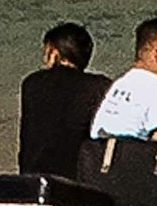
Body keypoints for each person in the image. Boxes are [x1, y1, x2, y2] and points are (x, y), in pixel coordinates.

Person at [18, 22, 111, 177]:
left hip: (34, 175)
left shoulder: (32, 83)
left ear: (54, 52)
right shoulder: (99, 86)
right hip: (78, 178)